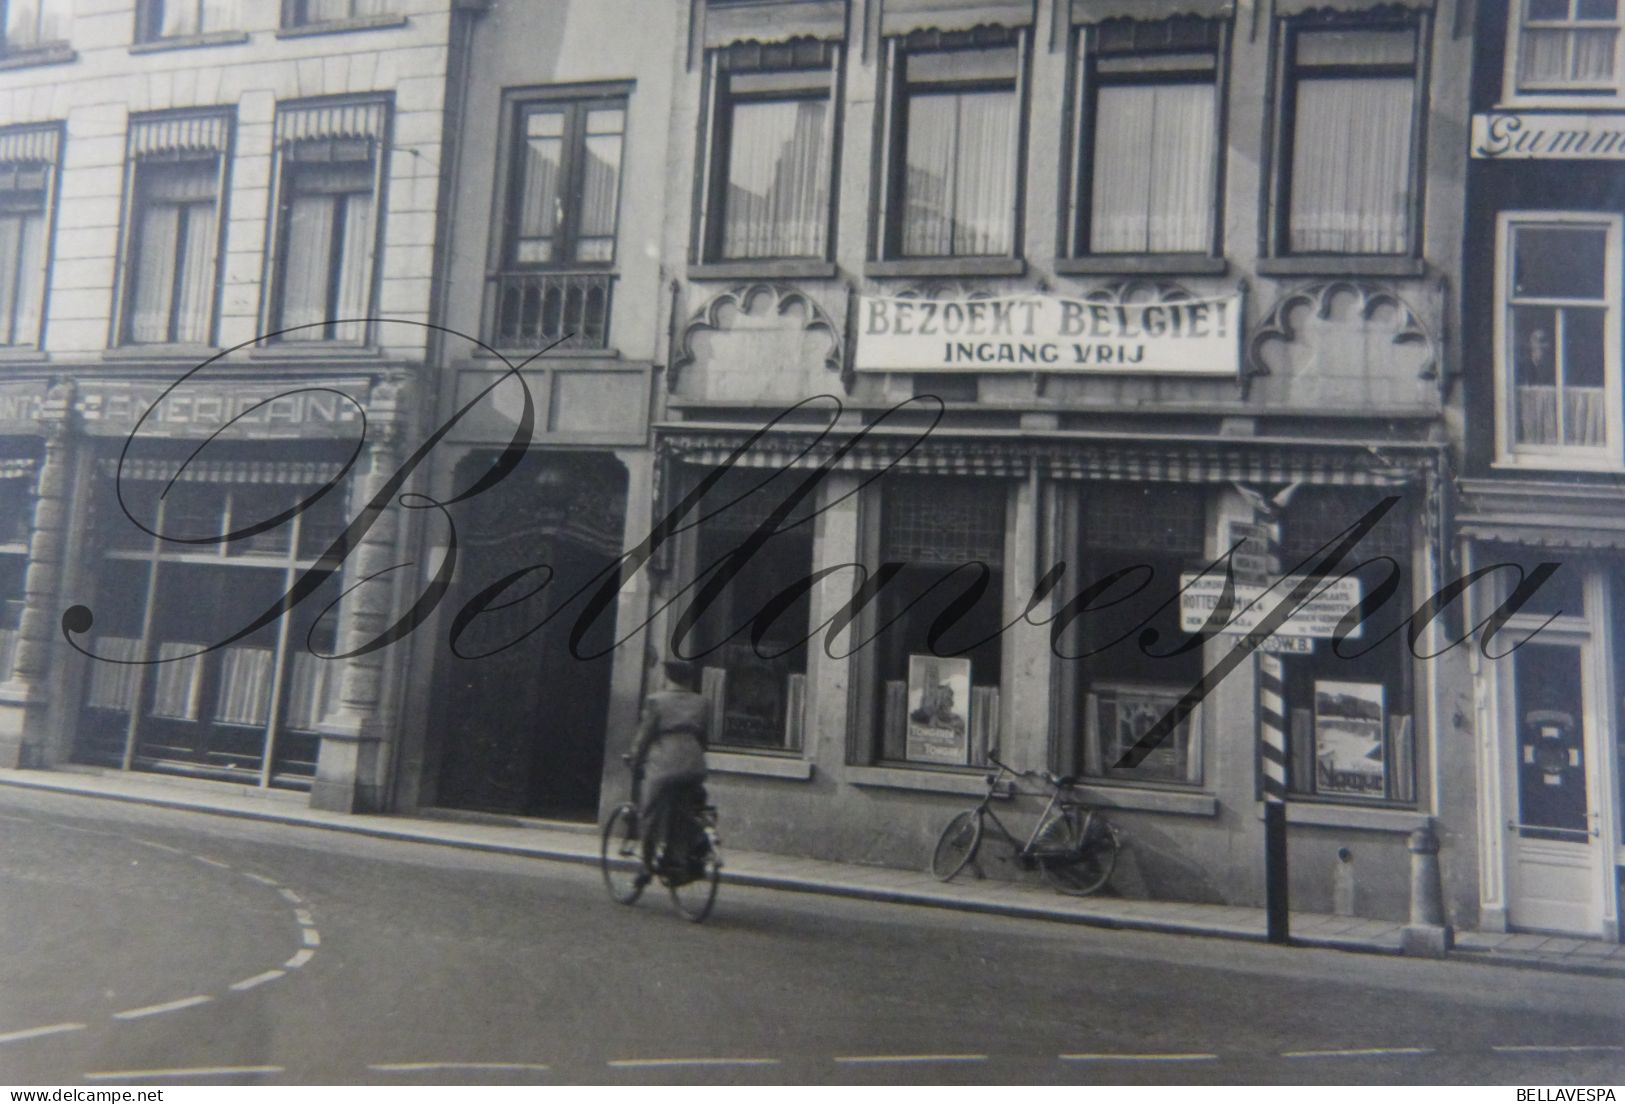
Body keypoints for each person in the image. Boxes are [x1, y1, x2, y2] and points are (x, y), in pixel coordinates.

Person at [629, 657, 711, 882]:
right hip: (694, 765)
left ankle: (645, 868)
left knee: (650, 813)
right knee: (684, 812)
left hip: (665, 765)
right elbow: (704, 739)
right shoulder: (702, 702)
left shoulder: (656, 701)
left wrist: (635, 759)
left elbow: (644, 736)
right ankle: (679, 861)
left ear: (668, 677)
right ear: (689, 679)